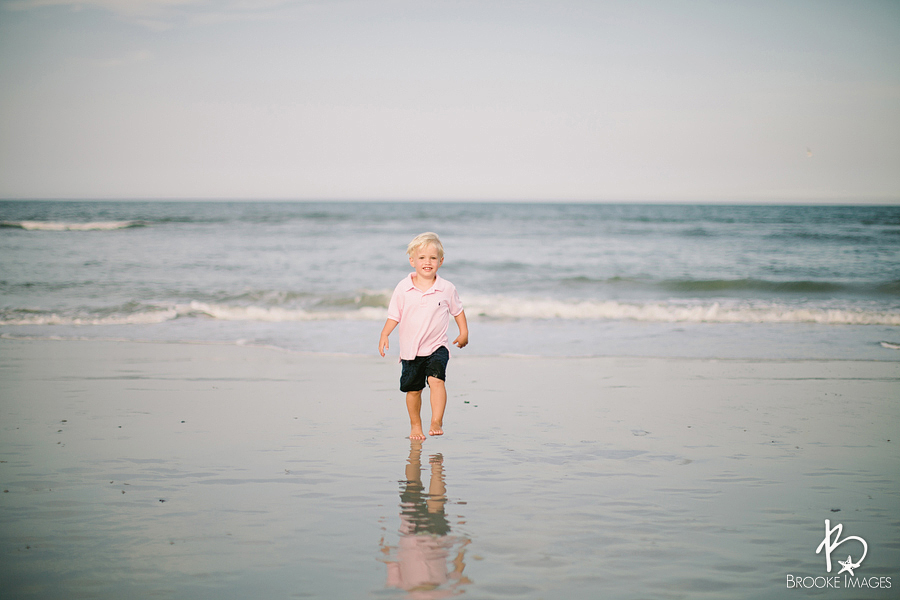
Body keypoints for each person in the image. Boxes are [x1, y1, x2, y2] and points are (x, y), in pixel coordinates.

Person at [379, 232, 468, 440]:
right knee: (413, 391)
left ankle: (436, 420)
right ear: (412, 261)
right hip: (411, 350)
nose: (427, 262)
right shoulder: (403, 288)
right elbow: (394, 315)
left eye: (433, 258)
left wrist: (464, 332)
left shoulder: (446, 288)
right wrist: (385, 334)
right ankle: (415, 425)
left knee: (436, 379)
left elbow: (458, 311)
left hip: (438, 346)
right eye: (422, 258)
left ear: (441, 261)